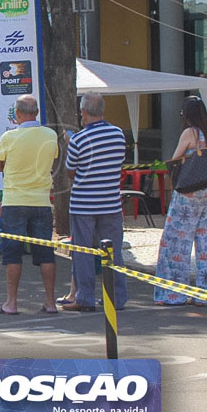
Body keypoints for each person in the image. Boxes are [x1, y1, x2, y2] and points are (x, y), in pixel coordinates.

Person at [0, 94, 59, 315]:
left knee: (12, 253)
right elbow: (54, 158)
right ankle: (50, 301)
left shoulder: (9, 137)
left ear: (17, 114)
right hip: (41, 201)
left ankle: (11, 302)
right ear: (37, 113)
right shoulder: (50, 135)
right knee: (45, 253)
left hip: (14, 201)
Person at [63, 93, 128, 312]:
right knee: (114, 251)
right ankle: (117, 297)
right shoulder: (118, 134)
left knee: (83, 251)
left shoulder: (78, 140)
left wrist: (70, 142)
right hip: (110, 202)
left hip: (83, 203)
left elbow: (71, 172)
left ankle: (85, 297)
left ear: (83, 112)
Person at [155, 95, 207, 305]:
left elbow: (176, 158)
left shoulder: (190, 132)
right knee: (205, 243)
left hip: (188, 192)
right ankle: (205, 293)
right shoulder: (206, 131)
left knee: (175, 242)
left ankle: (173, 293)